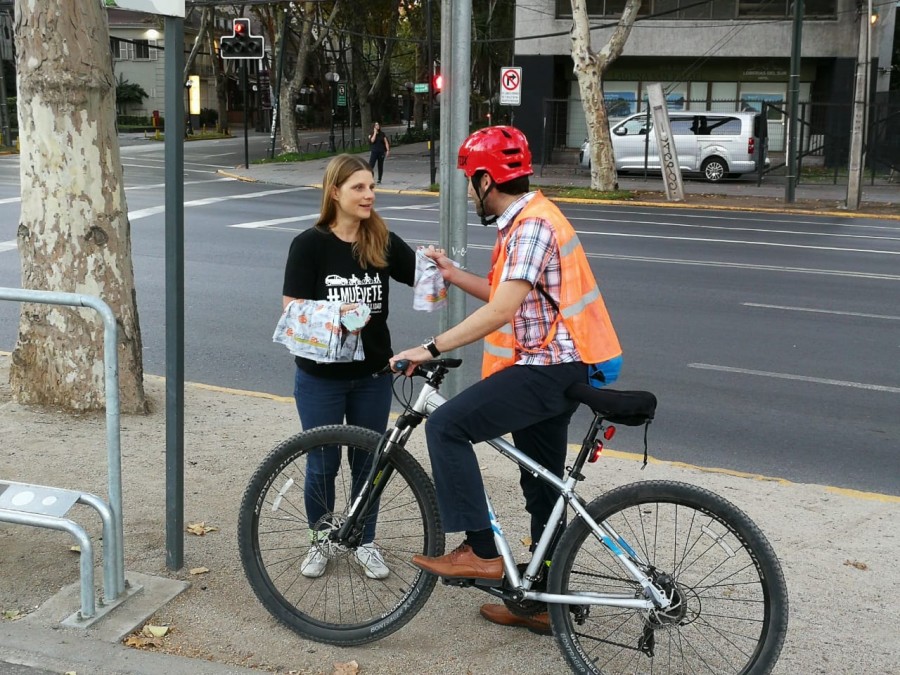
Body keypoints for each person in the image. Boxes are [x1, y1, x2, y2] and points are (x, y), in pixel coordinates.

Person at [390, 126, 622, 633]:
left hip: (545, 371)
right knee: (541, 486)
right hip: (560, 369)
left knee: (446, 427)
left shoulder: (532, 226)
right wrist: (451, 273)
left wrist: (429, 347)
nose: (470, 193)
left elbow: (501, 309)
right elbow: (507, 291)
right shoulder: (528, 220)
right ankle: (544, 603)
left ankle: (480, 550)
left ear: (485, 179)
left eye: (470, 183)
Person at [282, 153, 416, 580]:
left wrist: (440, 264)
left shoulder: (382, 240)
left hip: (373, 377)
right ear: (334, 192)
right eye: (359, 187)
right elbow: (292, 310)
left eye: (372, 186)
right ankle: (321, 539)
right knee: (322, 462)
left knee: (368, 463)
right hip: (320, 378)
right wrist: (341, 315)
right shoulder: (309, 244)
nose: (369, 195)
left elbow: (424, 277)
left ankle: (363, 540)